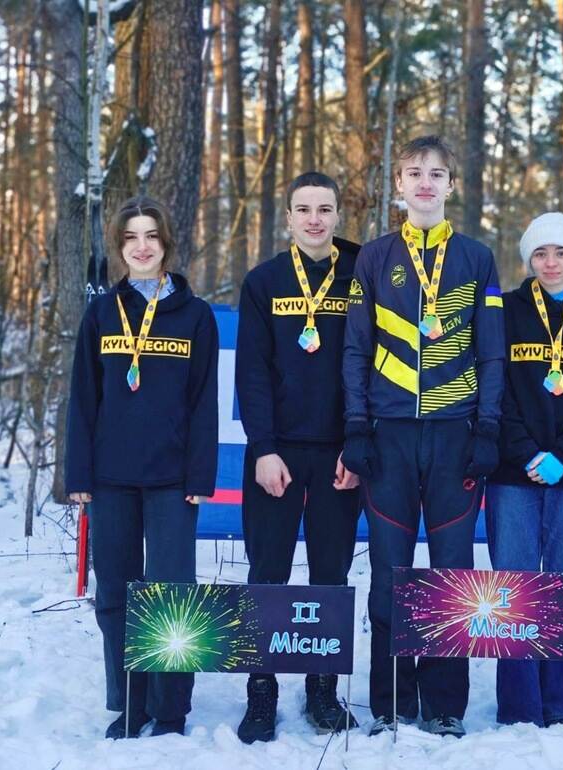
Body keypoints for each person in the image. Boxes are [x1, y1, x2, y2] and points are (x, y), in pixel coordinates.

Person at [341, 135, 505, 738]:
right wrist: (356, 425)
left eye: (437, 174)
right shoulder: (373, 257)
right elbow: (356, 349)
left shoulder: (476, 258)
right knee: (390, 571)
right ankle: (389, 700)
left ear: (451, 186)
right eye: (415, 173)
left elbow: (492, 353)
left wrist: (488, 427)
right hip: (388, 436)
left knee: (450, 573)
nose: (426, 183)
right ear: (399, 185)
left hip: (454, 435)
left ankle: (443, 704)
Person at [66, 196, 218, 739]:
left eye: (151, 235)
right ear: (119, 246)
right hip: (110, 479)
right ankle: (131, 702)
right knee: (116, 593)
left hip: (173, 481)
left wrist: (200, 476)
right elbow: (84, 399)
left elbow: (204, 402)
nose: (142, 246)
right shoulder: (101, 313)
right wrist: (78, 476)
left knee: (171, 594)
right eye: (130, 237)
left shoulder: (195, 315)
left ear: (166, 242)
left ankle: (170, 707)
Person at [233, 172, 362, 742]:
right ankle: (261, 692)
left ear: (337, 216)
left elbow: (367, 365)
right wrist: (262, 448)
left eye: (324, 209)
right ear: (287, 217)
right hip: (277, 455)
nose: (314, 219)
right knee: (268, 573)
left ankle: (323, 691)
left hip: (339, 454)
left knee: (331, 573)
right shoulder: (263, 282)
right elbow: (252, 373)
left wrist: (357, 445)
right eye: (304, 209)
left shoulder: (359, 276)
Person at [485, 212, 563, 728]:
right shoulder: (507, 312)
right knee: (513, 586)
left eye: (561, 253)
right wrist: (526, 453)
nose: (551, 262)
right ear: (528, 260)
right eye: (540, 253)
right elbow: (497, 390)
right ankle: (519, 705)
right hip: (514, 474)